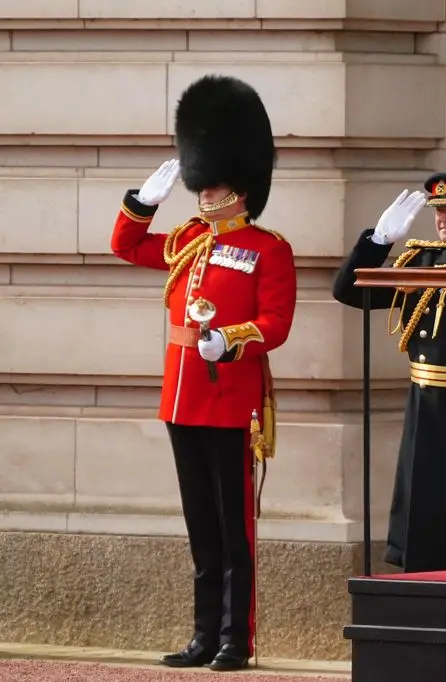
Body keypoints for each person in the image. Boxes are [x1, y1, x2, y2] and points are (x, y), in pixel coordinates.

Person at [110, 74, 297, 670]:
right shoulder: (189, 238)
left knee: (234, 531)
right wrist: (142, 202)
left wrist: (229, 341)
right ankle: (201, 635)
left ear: (238, 188)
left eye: (211, 183)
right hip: (182, 401)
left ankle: (236, 639)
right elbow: (126, 246)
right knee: (201, 531)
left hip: (230, 399)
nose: (203, 192)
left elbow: (275, 323)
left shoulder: (268, 249)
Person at [331, 172, 446, 572]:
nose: (445, 219)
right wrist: (377, 242)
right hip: (427, 402)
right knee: (423, 504)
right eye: (439, 212)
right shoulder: (422, 259)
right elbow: (348, 291)